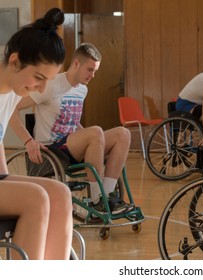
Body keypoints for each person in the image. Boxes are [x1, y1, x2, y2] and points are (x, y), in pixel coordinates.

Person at [9, 43, 132, 214]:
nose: (93, 75)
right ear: (75, 64)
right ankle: (97, 200)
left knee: (123, 134)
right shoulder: (51, 85)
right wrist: (28, 141)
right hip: (51, 150)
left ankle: (108, 195)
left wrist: (93, 138)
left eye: (95, 71)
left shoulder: (82, 90)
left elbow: (72, 122)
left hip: (71, 146)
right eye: (89, 70)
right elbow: (11, 109)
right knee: (95, 131)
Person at [0, 7, 73, 260]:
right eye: (38, 78)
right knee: (36, 198)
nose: (40, 88)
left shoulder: (10, 93)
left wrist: (6, 179)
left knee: (60, 193)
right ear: (14, 61)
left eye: (47, 82)